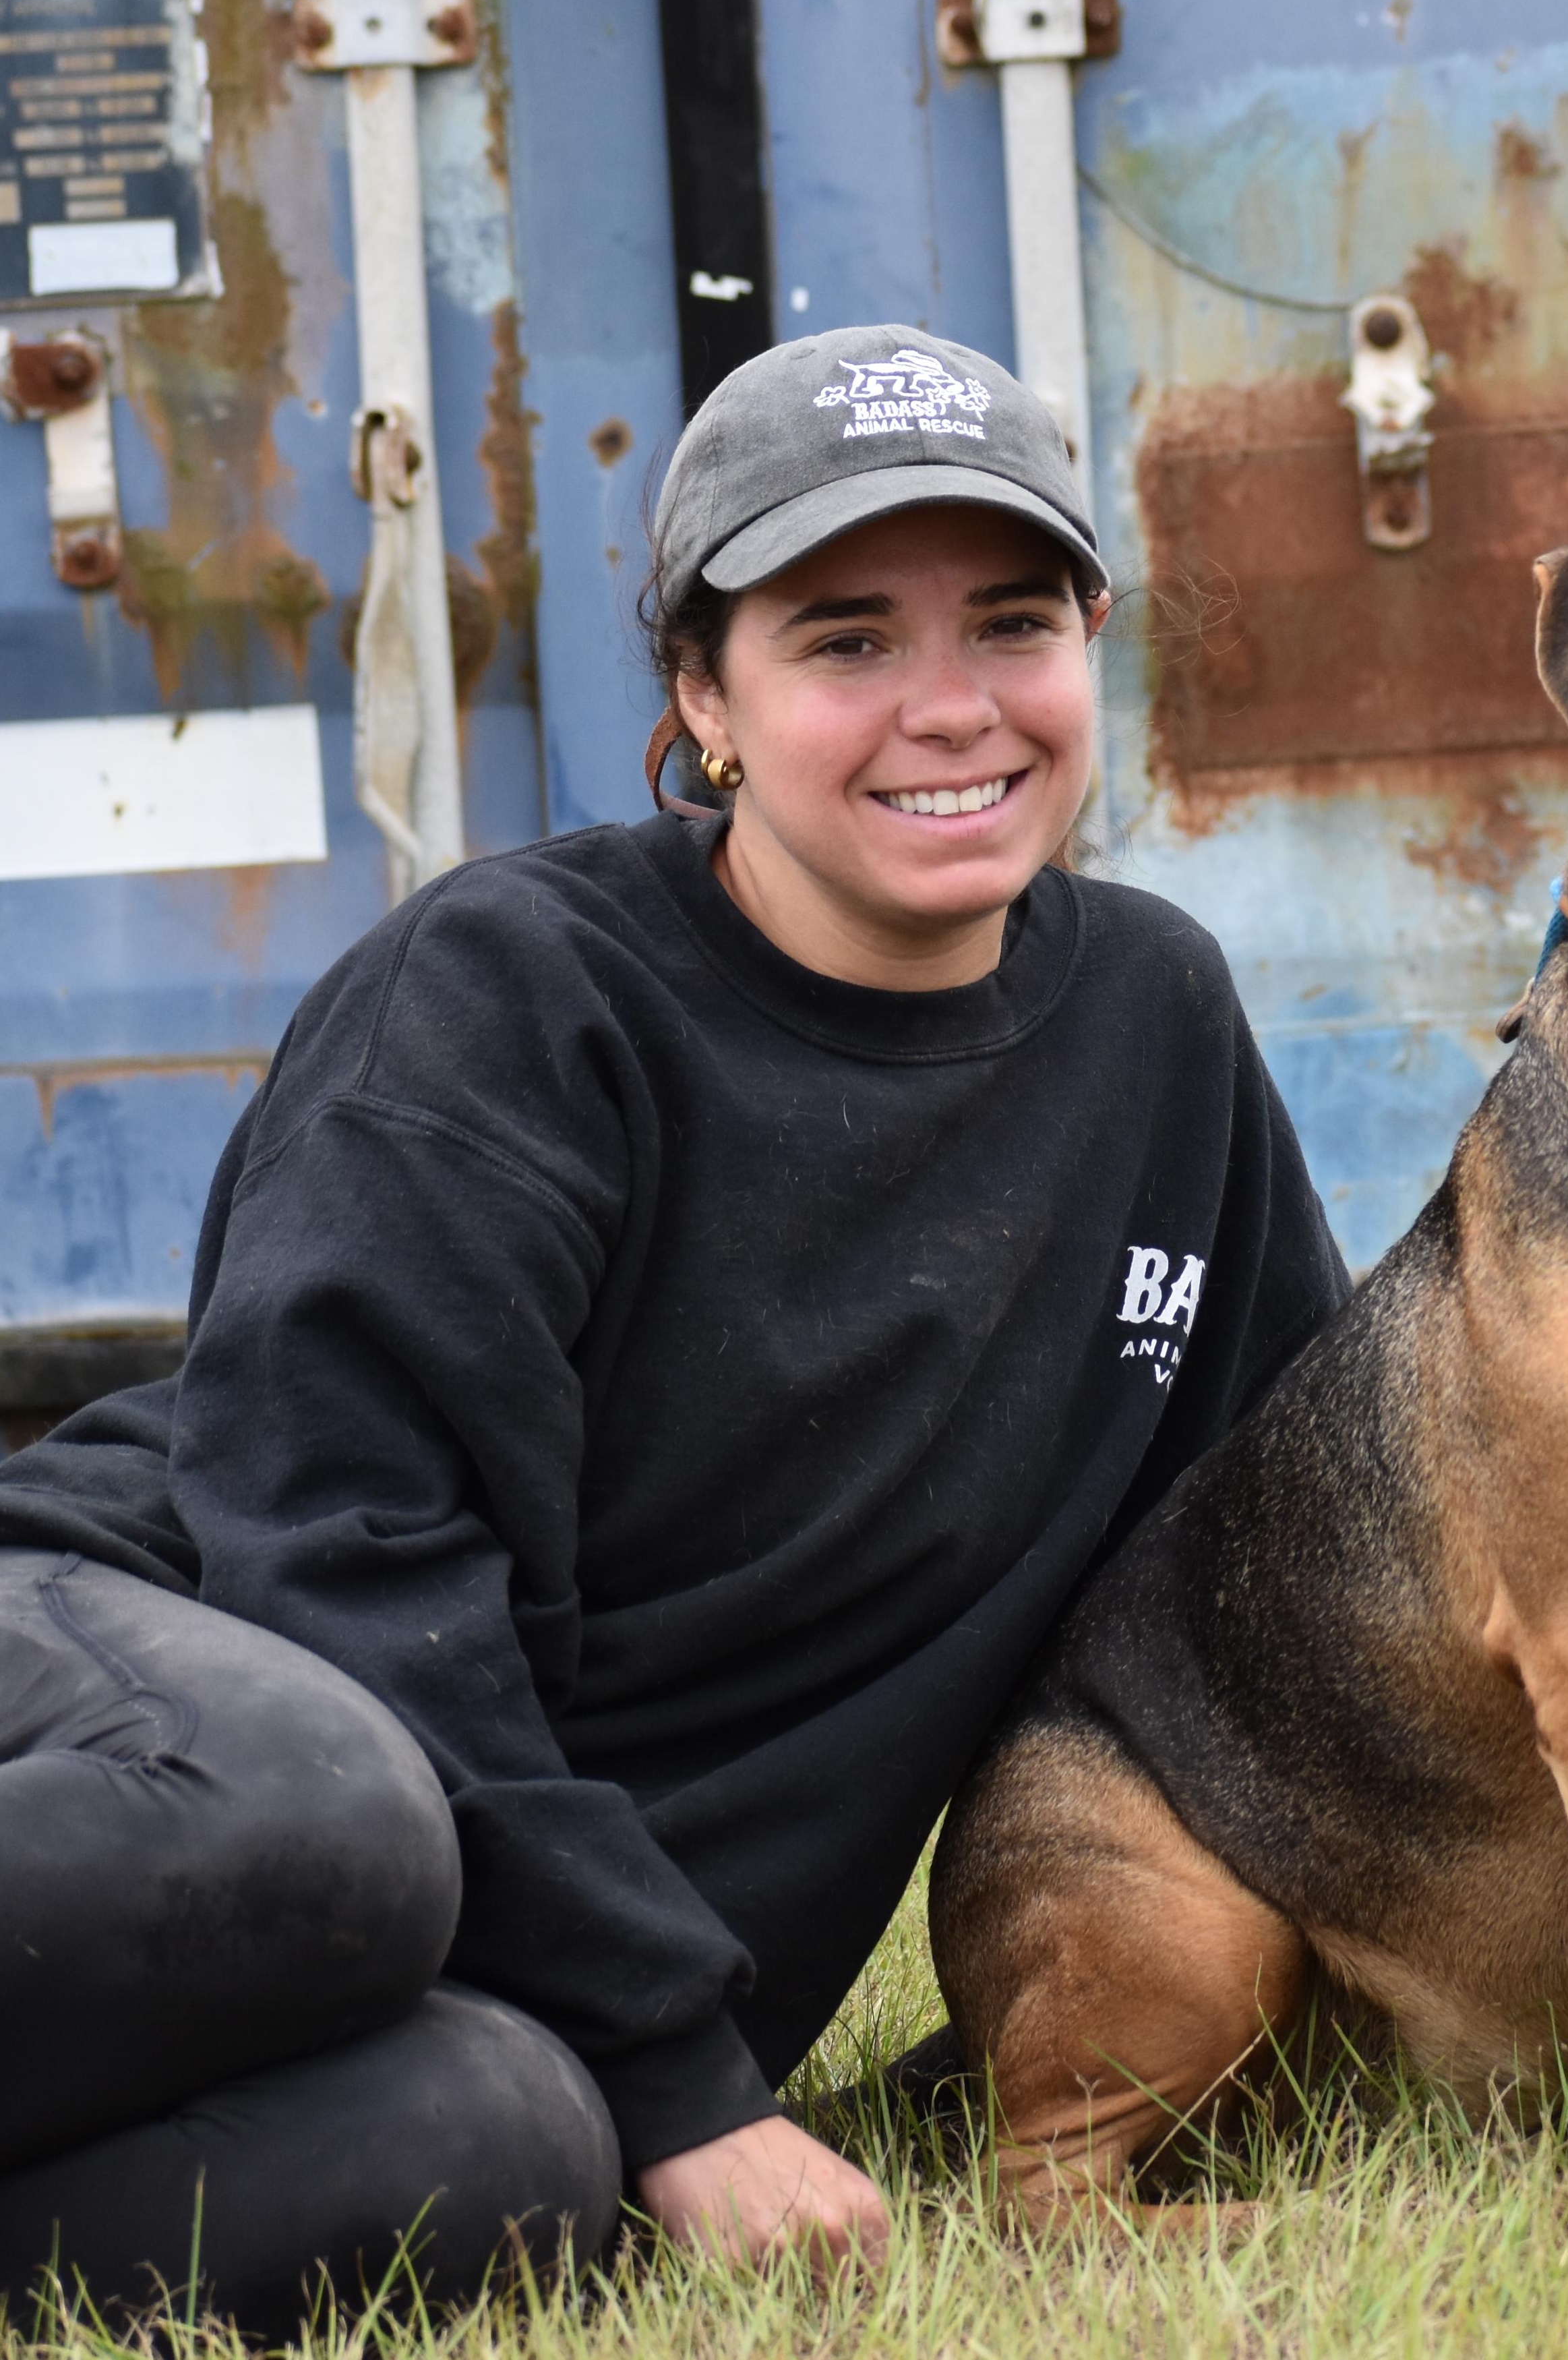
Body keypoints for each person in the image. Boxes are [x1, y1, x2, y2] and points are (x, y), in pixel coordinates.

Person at [0, 328, 1351, 2339]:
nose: (950, 706)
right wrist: (688, 2065)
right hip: (127, 1681)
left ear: (1092, 641)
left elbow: (1295, 1568)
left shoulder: (1153, 1022)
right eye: (842, 642)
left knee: (508, 2149)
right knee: (325, 1814)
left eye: (1010, 619)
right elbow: (344, 1557)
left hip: (458, 1930)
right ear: (703, 700)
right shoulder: (510, 993)